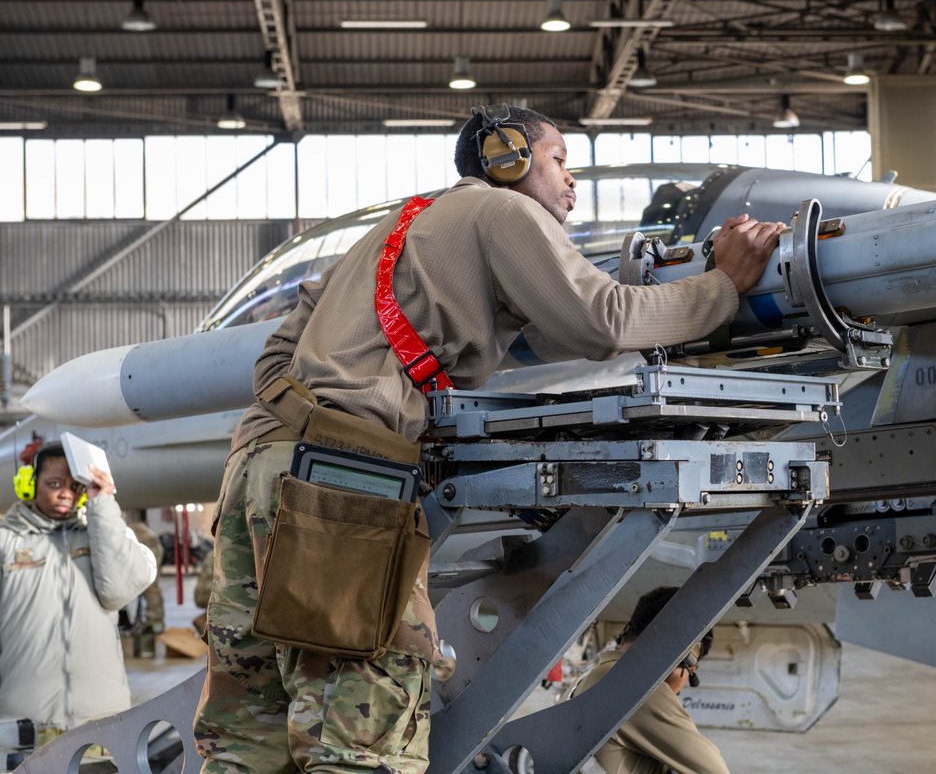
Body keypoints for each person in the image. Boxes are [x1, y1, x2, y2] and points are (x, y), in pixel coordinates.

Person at [193, 103, 784, 773]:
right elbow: (602, 319)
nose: (571, 184)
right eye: (560, 161)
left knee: (249, 735)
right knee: (362, 740)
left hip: (259, 466)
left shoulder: (401, 225)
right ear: (509, 159)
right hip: (344, 485)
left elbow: (276, 353)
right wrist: (722, 286)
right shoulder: (503, 212)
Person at [0, 442, 158, 746]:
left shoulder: (104, 534)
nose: (65, 493)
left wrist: (103, 503)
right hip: (23, 727)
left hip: (101, 724)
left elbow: (118, 591)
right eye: (54, 484)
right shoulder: (6, 542)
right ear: (29, 484)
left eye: (75, 486)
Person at [572, 587, 729, 774]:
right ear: (686, 657)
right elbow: (713, 770)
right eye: (692, 670)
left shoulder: (591, 676)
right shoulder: (636, 686)